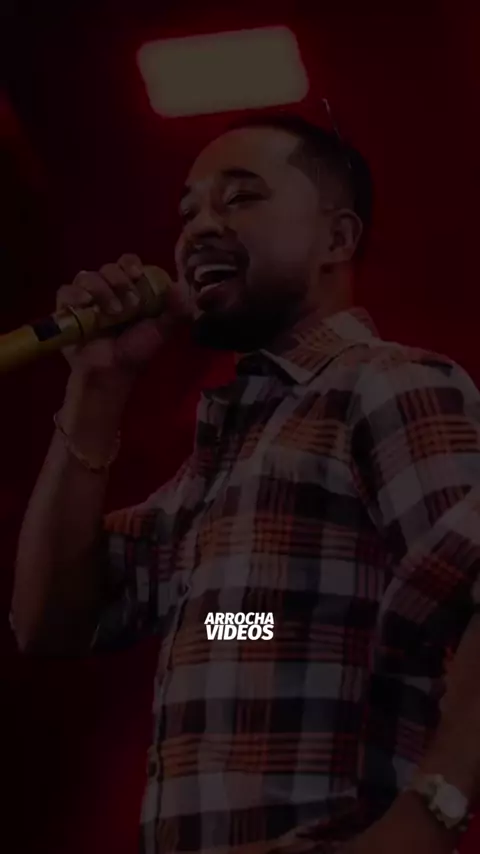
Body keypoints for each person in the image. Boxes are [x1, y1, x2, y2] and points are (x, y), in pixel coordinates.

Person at [11, 113, 480, 854]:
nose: (199, 227)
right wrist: (97, 388)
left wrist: (428, 818)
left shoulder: (388, 384)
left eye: (240, 198)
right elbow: (51, 621)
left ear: (337, 239)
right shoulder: (228, 453)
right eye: (188, 211)